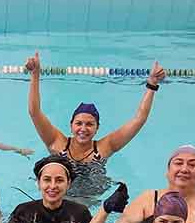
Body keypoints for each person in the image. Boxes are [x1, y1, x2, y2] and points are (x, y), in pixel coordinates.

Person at [25, 51, 166, 198]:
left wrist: (152, 85)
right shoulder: (57, 142)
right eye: (79, 123)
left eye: (89, 124)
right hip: (60, 197)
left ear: (97, 128)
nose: (83, 129)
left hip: (90, 201)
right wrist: (35, 75)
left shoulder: (105, 147)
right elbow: (34, 112)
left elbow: (139, 119)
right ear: (71, 125)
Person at [2, 154, 94, 223]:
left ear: (68, 184)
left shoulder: (79, 212)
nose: (53, 186)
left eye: (59, 180)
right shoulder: (23, 211)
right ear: (38, 182)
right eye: (47, 180)